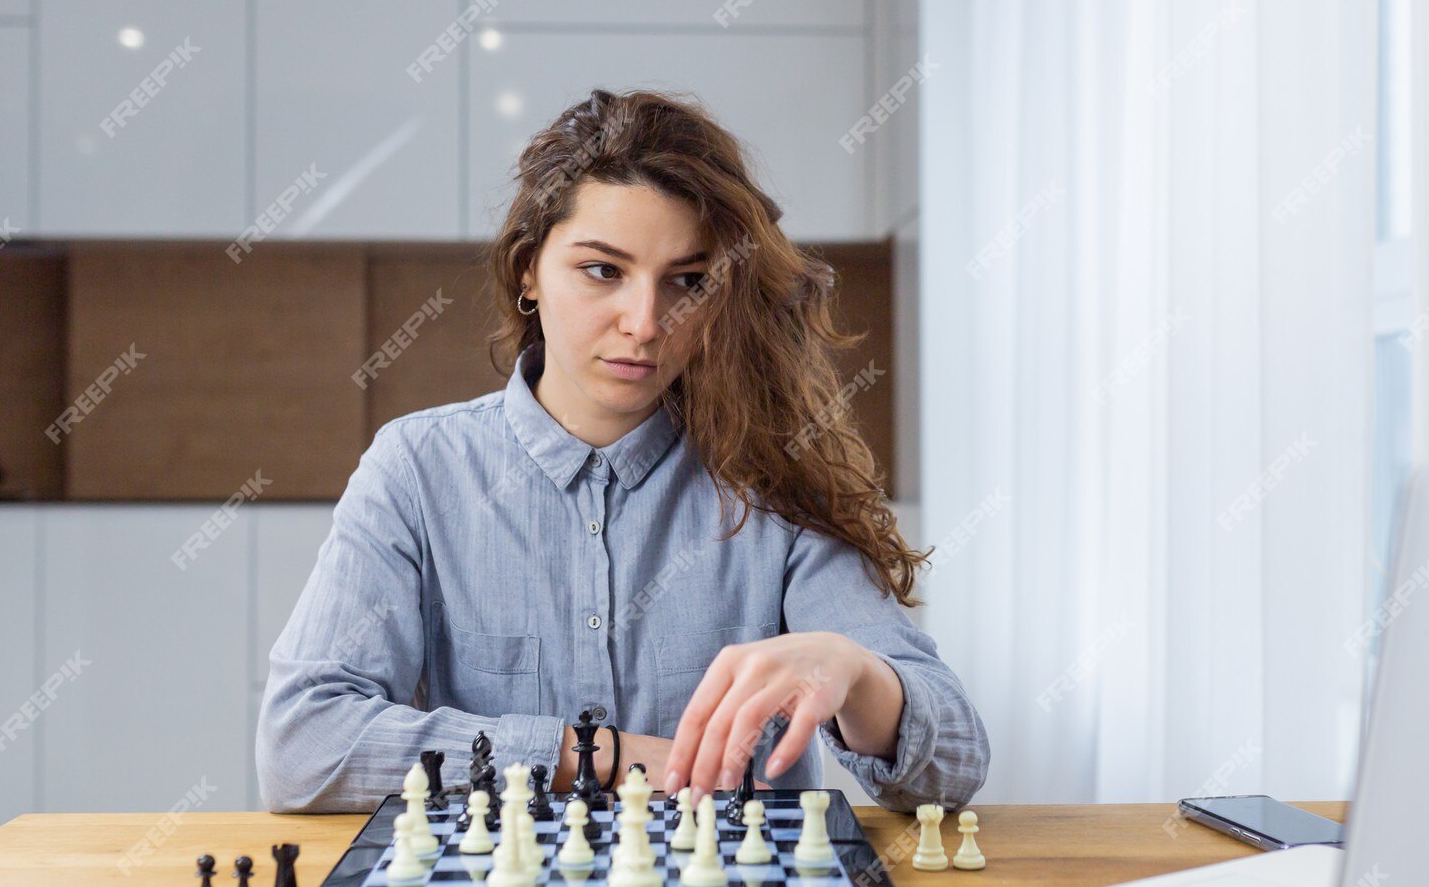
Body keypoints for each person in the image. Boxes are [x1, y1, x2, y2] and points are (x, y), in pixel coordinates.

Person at [256, 88, 989, 814]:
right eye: (603, 270)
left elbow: (953, 765)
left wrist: (857, 675)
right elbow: (301, 746)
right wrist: (598, 756)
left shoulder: (770, 474)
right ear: (527, 271)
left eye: (689, 282)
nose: (645, 322)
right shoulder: (417, 470)